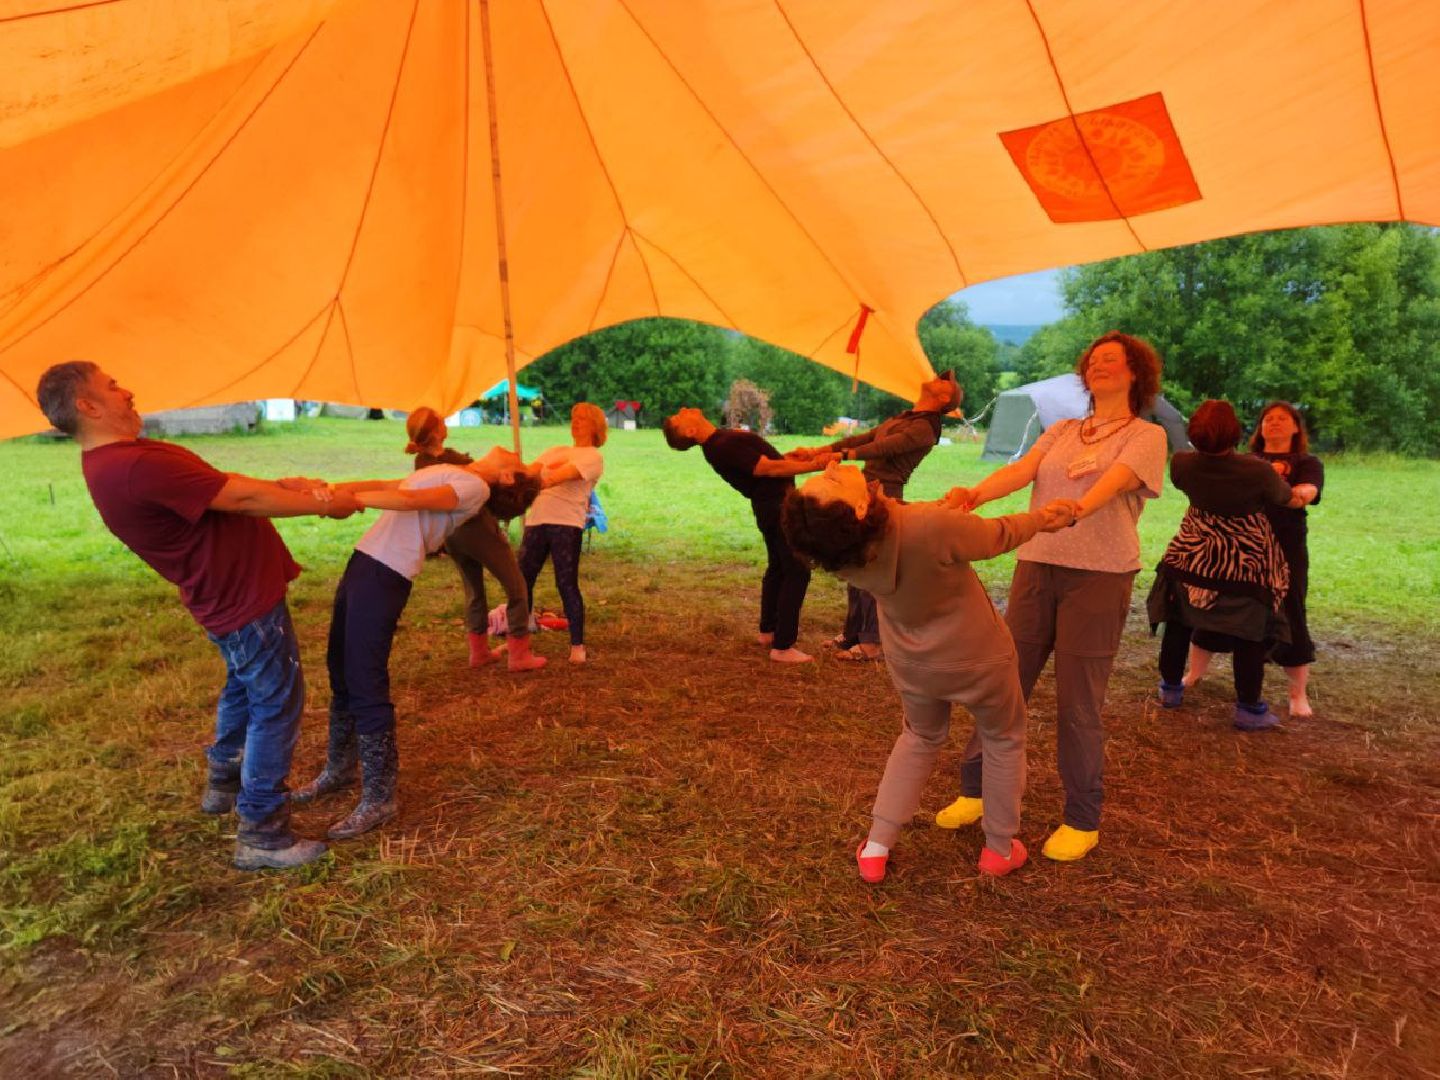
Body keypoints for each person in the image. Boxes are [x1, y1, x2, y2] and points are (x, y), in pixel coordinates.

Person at [35, 361, 361, 870]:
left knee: (245, 687)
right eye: (113, 385)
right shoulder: (133, 465)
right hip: (240, 598)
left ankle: (224, 781)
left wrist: (284, 484)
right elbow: (242, 498)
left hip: (222, 598)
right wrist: (322, 505)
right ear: (87, 406)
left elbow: (215, 485)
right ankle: (261, 831)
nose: (128, 389)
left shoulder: (119, 460)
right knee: (276, 703)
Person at [934, 332, 1168, 863]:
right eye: (1094, 360)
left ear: (1136, 373)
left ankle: (1082, 819)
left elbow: (1116, 480)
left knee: (1078, 703)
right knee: (1004, 683)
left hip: (1099, 575)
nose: (1100, 366)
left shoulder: (1146, 435)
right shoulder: (1062, 429)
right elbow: (1022, 471)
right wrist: (975, 494)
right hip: (1037, 565)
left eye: (1113, 360)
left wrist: (1078, 509)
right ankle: (975, 789)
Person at [781, 462, 1077, 880]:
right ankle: (998, 848)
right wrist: (1048, 516)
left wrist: (944, 511)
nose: (831, 465)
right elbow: (999, 534)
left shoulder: (840, 549)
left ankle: (877, 847)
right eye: (830, 480)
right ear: (861, 508)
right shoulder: (928, 526)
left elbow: (908, 530)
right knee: (1004, 739)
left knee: (919, 738)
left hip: (912, 661)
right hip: (979, 657)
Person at [292, 450, 543, 838]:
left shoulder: (474, 487)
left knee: (364, 678)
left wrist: (350, 500)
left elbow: (413, 501)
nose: (516, 454)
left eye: (519, 463)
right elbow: (395, 487)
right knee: (340, 667)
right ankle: (339, 769)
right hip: (367, 560)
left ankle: (379, 796)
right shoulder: (459, 471)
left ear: (508, 477)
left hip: (386, 571)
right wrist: (329, 490)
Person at [789, 372, 962, 661]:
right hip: (863, 491)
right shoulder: (906, 417)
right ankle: (853, 632)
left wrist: (843, 456)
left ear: (945, 398)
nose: (938, 376)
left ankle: (871, 642)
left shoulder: (926, 428)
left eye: (945, 381)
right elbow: (866, 436)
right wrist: (818, 450)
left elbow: (883, 447)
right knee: (855, 563)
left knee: (872, 567)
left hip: (885, 495)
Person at [1150, 400, 1299, 730]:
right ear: (1235, 433)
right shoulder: (1257, 469)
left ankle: (1170, 691)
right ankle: (1248, 708)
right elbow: (1284, 497)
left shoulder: (1182, 464)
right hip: (1243, 563)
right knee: (1250, 631)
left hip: (1191, 553)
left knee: (1178, 621)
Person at [662, 407, 837, 663]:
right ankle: (783, 646)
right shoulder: (720, 445)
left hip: (771, 505)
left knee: (779, 567)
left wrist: (791, 458)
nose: (682, 410)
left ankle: (769, 632)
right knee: (798, 570)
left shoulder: (721, 440)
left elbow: (764, 461)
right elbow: (765, 469)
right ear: (690, 431)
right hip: (776, 506)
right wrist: (812, 466)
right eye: (679, 417)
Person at [1185, 402, 1322, 717]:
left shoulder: (1306, 461)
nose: (1273, 423)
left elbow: (1308, 491)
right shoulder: (1245, 461)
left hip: (1285, 546)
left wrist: (1293, 492)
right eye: (1268, 419)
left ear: (1295, 427)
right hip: (1238, 547)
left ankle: (1297, 695)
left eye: (1282, 418)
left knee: (1291, 610)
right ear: (1259, 428)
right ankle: (1194, 674)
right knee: (1215, 606)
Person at [405, 407, 544, 673]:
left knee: (473, 589)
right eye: (442, 422)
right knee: (516, 586)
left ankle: (479, 652)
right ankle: (519, 654)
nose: (446, 424)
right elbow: (482, 478)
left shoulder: (422, 463)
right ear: (436, 432)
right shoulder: (452, 462)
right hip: (477, 528)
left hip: (452, 534)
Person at [518, 402, 608, 664]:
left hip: (566, 523)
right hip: (537, 519)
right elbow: (529, 472)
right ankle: (522, 640)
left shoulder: (592, 456)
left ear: (595, 426)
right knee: (522, 579)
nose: (575, 422)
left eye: (581, 418)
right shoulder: (556, 450)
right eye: (573, 417)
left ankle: (577, 645)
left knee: (565, 583)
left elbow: (557, 477)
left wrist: (537, 478)